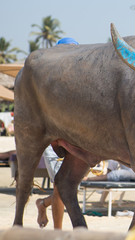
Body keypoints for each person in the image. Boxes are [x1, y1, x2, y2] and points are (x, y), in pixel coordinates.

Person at [35, 37, 79, 229]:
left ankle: (43, 204)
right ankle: (58, 232)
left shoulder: (79, 78)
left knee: (68, 187)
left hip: (73, 139)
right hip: (52, 140)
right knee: (62, 186)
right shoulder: (44, 79)